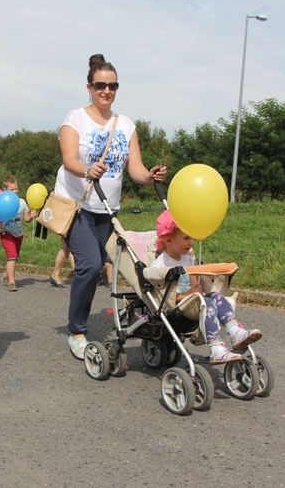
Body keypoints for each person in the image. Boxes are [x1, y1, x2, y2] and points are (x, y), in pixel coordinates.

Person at [54, 54, 167, 359]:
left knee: (130, 266)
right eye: (100, 85)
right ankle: (77, 330)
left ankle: (143, 319)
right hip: (77, 206)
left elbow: (136, 170)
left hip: (108, 209)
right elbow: (69, 160)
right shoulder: (74, 119)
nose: (107, 90)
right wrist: (86, 169)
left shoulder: (126, 125)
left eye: (112, 85)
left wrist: (150, 176)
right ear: (88, 87)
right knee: (90, 266)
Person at [152, 210, 262, 364]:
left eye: (191, 237)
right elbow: (162, 293)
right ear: (168, 241)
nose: (191, 242)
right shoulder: (160, 265)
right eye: (186, 238)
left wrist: (198, 287)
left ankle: (235, 331)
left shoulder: (188, 259)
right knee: (209, 303)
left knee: (217, 297)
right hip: (176, 305)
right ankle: (216, 348)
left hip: (194, 301)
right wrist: (188, 294)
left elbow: (194, 280)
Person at [0, 176, 35, 292]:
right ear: (5, 190)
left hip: (18, 234)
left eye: (16, 189)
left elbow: (25, 219)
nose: (15, 191)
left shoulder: (22, 202)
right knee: (12, 255)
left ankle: (6, 275)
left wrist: (31, 216)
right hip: (6, 232)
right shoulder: (2, 201)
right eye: (12, 189)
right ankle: (12, 282)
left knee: (14, 256)